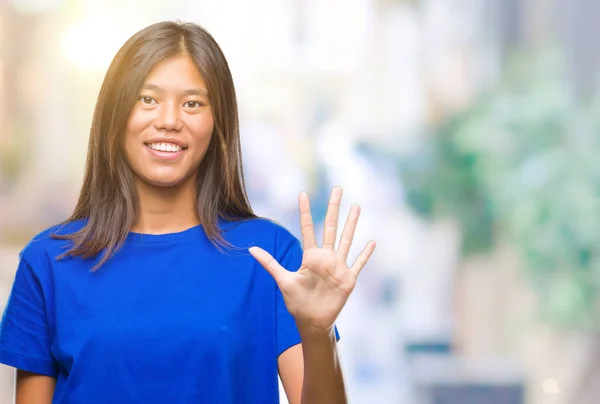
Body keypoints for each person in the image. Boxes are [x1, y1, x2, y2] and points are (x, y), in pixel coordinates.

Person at [0, 21, 376, 403]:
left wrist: (317, 333)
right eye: (147, 99)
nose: (169, 120)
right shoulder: (49, 261)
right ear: (115, 114)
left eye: (192, 103)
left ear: (218, 123)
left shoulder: (271, 257)